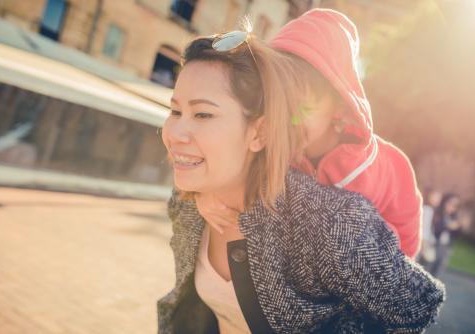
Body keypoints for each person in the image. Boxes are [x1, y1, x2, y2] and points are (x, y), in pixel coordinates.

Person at [157, 27, 445, 333]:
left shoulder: (331, 218)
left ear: (260, 132)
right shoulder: (188, 201)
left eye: (203, 114)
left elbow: (415, 304)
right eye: (174, 110)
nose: (173, 134)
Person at [199, 9, 423, 259]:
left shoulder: (388, 166)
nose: (289, 121)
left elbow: (406, 242)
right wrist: (208, 195)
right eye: (281, 104)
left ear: (339, 106)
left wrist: (366, 246)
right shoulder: (267, 143)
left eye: (304, 109)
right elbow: (230, 170)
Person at [430, 193, 461, 277]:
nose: (452, 207)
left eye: (455, 205)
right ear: (445, 202)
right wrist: (446, 225)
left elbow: (457, 234)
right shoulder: (438, 212)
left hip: (446, 246)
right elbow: (434, 228)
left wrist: (456, 227)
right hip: (434, 244)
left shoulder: (454, 217)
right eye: (450, 203)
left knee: (438, 270)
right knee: (429, 267)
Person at [418, 189, 442, 271]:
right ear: (429, 196)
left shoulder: (427, 208)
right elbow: (425, 228)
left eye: (439, 198)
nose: (438, 200)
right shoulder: (428, 209)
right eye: (435, 197)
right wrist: (424, 245)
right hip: (422, 243)